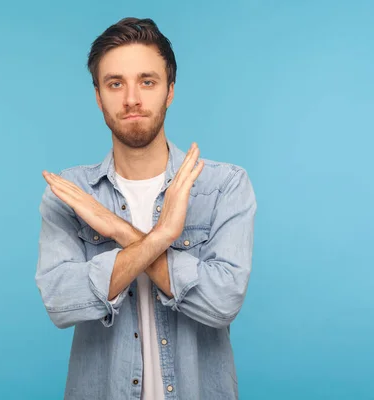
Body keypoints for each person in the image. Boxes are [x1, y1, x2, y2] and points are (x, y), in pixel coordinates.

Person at [35, 17, 257, 400]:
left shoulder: (224, 186)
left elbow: (222, 303)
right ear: (98, 95)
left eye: (147, 81)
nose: (132, 98)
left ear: (170, 91)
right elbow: (59, 301)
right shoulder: (70, 194)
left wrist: (122, 232)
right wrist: (160, 237)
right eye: (115, 83)